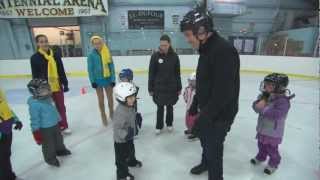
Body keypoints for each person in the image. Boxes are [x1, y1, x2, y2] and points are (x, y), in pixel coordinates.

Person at [180, 8, 240, 180]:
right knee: (205, 141)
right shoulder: (206, 49)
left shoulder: (223, 51)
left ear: (202, 32)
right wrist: (195, 103)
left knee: (214, 149)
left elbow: (223, 92)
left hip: (221, 113)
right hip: (208, 110)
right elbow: (204, 81)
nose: (187, 39)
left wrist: (204, 117)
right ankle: (205, 163)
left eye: (188, 35)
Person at [251, 73, 295, 175]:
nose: (266, 87)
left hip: (273, 132)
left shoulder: (283, 101)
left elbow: (277, 114)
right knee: (261, 144)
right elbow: (255, 107)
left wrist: (263, 108)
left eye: (270, 85)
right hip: (262, 128)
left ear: (280, 87)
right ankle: (261, 157)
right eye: (266, 84)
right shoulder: (264, 96)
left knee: (272, 149)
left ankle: (274, 163)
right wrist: (258, 105)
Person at [30, 34, 71, 135]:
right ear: (38, 44)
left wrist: (65, 83)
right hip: (44, 88)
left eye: (45, 41)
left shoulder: (55, 55)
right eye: (41, 41)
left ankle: (64, 125)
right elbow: (35, 75)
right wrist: (37, 89)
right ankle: (55, 129)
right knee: (50, 109)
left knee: (61, 107)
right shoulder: (34, 58)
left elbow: (61, 70)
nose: (44, 43)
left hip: (57, 85)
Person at [27, 79, 71, 167]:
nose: (47, 91)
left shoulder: (48, 99)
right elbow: (34, 120)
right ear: (35, 92)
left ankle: (60, 150)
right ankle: (50, 159)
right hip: (45, 129)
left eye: (47, 88)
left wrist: (59, 121)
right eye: (43, 90)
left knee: (59, 139)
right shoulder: (35, 105)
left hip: (55, 124)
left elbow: (54, 110)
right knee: (48, 145)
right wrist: (36, 132)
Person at [148, 34, 182, 135]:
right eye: (161, 45)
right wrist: (150, 88)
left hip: (172, 86)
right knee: (160, 107)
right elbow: (151, 73)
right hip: (159, 87)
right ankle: (159, 126)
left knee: (170, 106)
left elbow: (177, 73)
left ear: (169, 44)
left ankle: (169, 123)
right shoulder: (155, 56)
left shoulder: (175, 56)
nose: (163, 47)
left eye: (165, 45)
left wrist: (179, 87)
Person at [113, 82, 142, 180]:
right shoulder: (120, 112)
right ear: (122, 98)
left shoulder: (129, 106)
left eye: (134, 96)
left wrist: (136, 118)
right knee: (121, 159)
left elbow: (131, 116)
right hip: (121, 141)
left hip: (129, 137)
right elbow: (117, 129)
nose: (133, 99)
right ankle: (122, 174)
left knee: (131, 150)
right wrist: (126, 135)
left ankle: (131, 161)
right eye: (131, 97)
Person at [87, 35, 116, 126]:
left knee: (110, 99)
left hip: (107, 80)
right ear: (92, 45)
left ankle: (112, 113)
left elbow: (112, 67)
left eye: (99, 43)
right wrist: (92, 81)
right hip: (97, 81)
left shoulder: (107, 53)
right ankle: (103, 116)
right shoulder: (91, 55)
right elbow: (90, 69)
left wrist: (113, 79)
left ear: (102, 43)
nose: (97, 45)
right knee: (101, 101)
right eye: (95, 44)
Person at [0, 89, 23, 180]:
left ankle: (9, 175)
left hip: (7, 131)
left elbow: (6, 108)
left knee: (6, 155)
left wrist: (16, 120)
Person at [118, 69, 143, 135]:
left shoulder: (132, 87)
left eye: (124, 78)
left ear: (129, 78)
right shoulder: (122, 86)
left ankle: (135, 130)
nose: (122, 80)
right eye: (121, 78)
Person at [183, 72, 198, 141]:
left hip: (196, 109)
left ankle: (196, 133)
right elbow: (185, 97)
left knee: (194, 121)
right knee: (187, 120)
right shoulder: (188, 89)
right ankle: (190, 129)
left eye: (193, 81)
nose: (191, 83)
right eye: (190, 81)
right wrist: (185, 97)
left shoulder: (199, 90)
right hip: (188, 108)